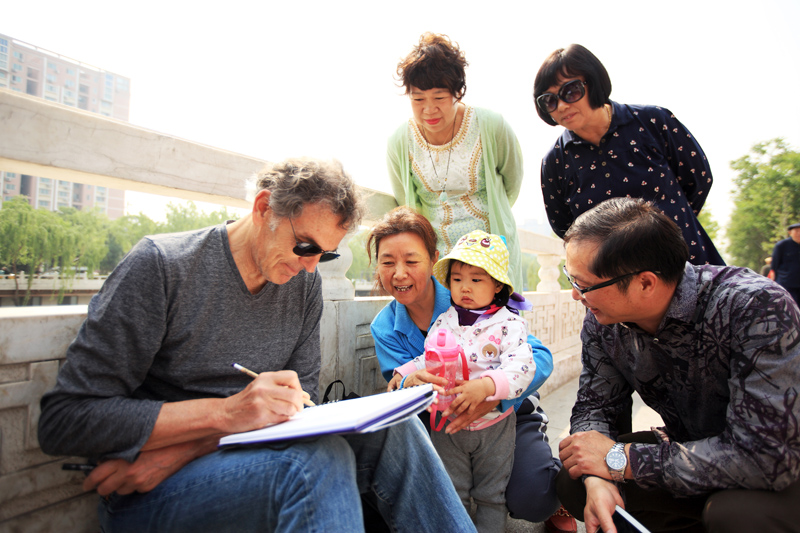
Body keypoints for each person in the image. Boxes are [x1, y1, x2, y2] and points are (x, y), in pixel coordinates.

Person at [37, 158, 476, 533]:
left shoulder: (303, 287)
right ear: (264, 208)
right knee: (316, 466)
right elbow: (65, 420)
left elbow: (296, 409)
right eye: (304, 246)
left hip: (198, 458)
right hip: (149, 490)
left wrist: (185, 450)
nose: (310, 268)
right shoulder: (163, 266)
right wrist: (226, 413)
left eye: (323, 255)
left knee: (396, 429)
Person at [556, 197, 800, 533]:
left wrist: (618, 460)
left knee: (734, 514)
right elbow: (594, 406)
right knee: (573, 482)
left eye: (583, 285)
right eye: (571, 279)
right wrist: (598, 476)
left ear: (645, 283)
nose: (575, 295)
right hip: (690, 453)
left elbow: (765, 456)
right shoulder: (604, 321)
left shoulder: (755, 307)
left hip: (780, 470)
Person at [368, 207, 578, 533]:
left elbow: (538, 356)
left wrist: (493, 395)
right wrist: (407, 381)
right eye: (387, 262)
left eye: (411, 261)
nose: (399, 273)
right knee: (445, 493)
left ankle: (553, 483)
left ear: (433, 259)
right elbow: (399, 386)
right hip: (447, 424)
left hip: (505, 414)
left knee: (532, 499)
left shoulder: (474, 293)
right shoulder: (385, 327)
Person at [390, 230, 535, 532]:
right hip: (447, 422)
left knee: (491, 495)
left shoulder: (509, 324)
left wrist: (487, 386)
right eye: (457, 279)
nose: (465, 287)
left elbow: (522, 366)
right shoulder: (445, 320)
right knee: (452, 491)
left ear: (497, 284)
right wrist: (405, 371)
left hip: (494, 425)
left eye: (476, 279)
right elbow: (430, 357)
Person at [533, 44, 724, 266]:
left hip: (684, 262)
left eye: (571, 91)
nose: (562, 106)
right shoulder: (555, 162)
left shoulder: (653, 122)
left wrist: (667, 228)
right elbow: (566, 227)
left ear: (593, 82)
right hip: (615, 277)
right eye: (550, 100)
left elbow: (698, 179)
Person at [387, 32, 525, 290]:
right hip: (435, 261)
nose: (429, 109)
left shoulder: (491, 125)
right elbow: (404, 199)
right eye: (418, 99)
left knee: (494, 317)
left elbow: (512, 181)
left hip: (489, 259)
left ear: (458, 92)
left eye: (439, 98)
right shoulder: (399, 141)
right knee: (440, 317)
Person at [771, 222, 800, 304]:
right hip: (786, 284)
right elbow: (774, 266)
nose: (799, 233)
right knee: (790, 306)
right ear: (790, 232)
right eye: (796, 231)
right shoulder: (782, 245)